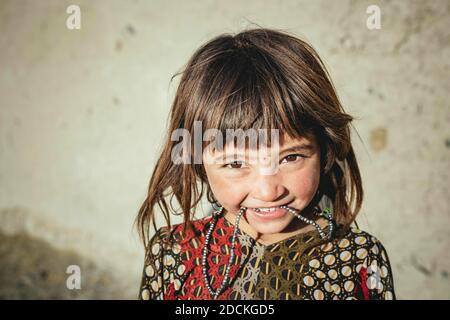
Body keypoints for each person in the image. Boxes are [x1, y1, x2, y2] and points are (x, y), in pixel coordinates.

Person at [136, 28, 396, 300]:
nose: (268, 191)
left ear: (324, 150)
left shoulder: (356, 261)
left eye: (290, 158)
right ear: (198, 161)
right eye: (236, 163)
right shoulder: (174, 251)